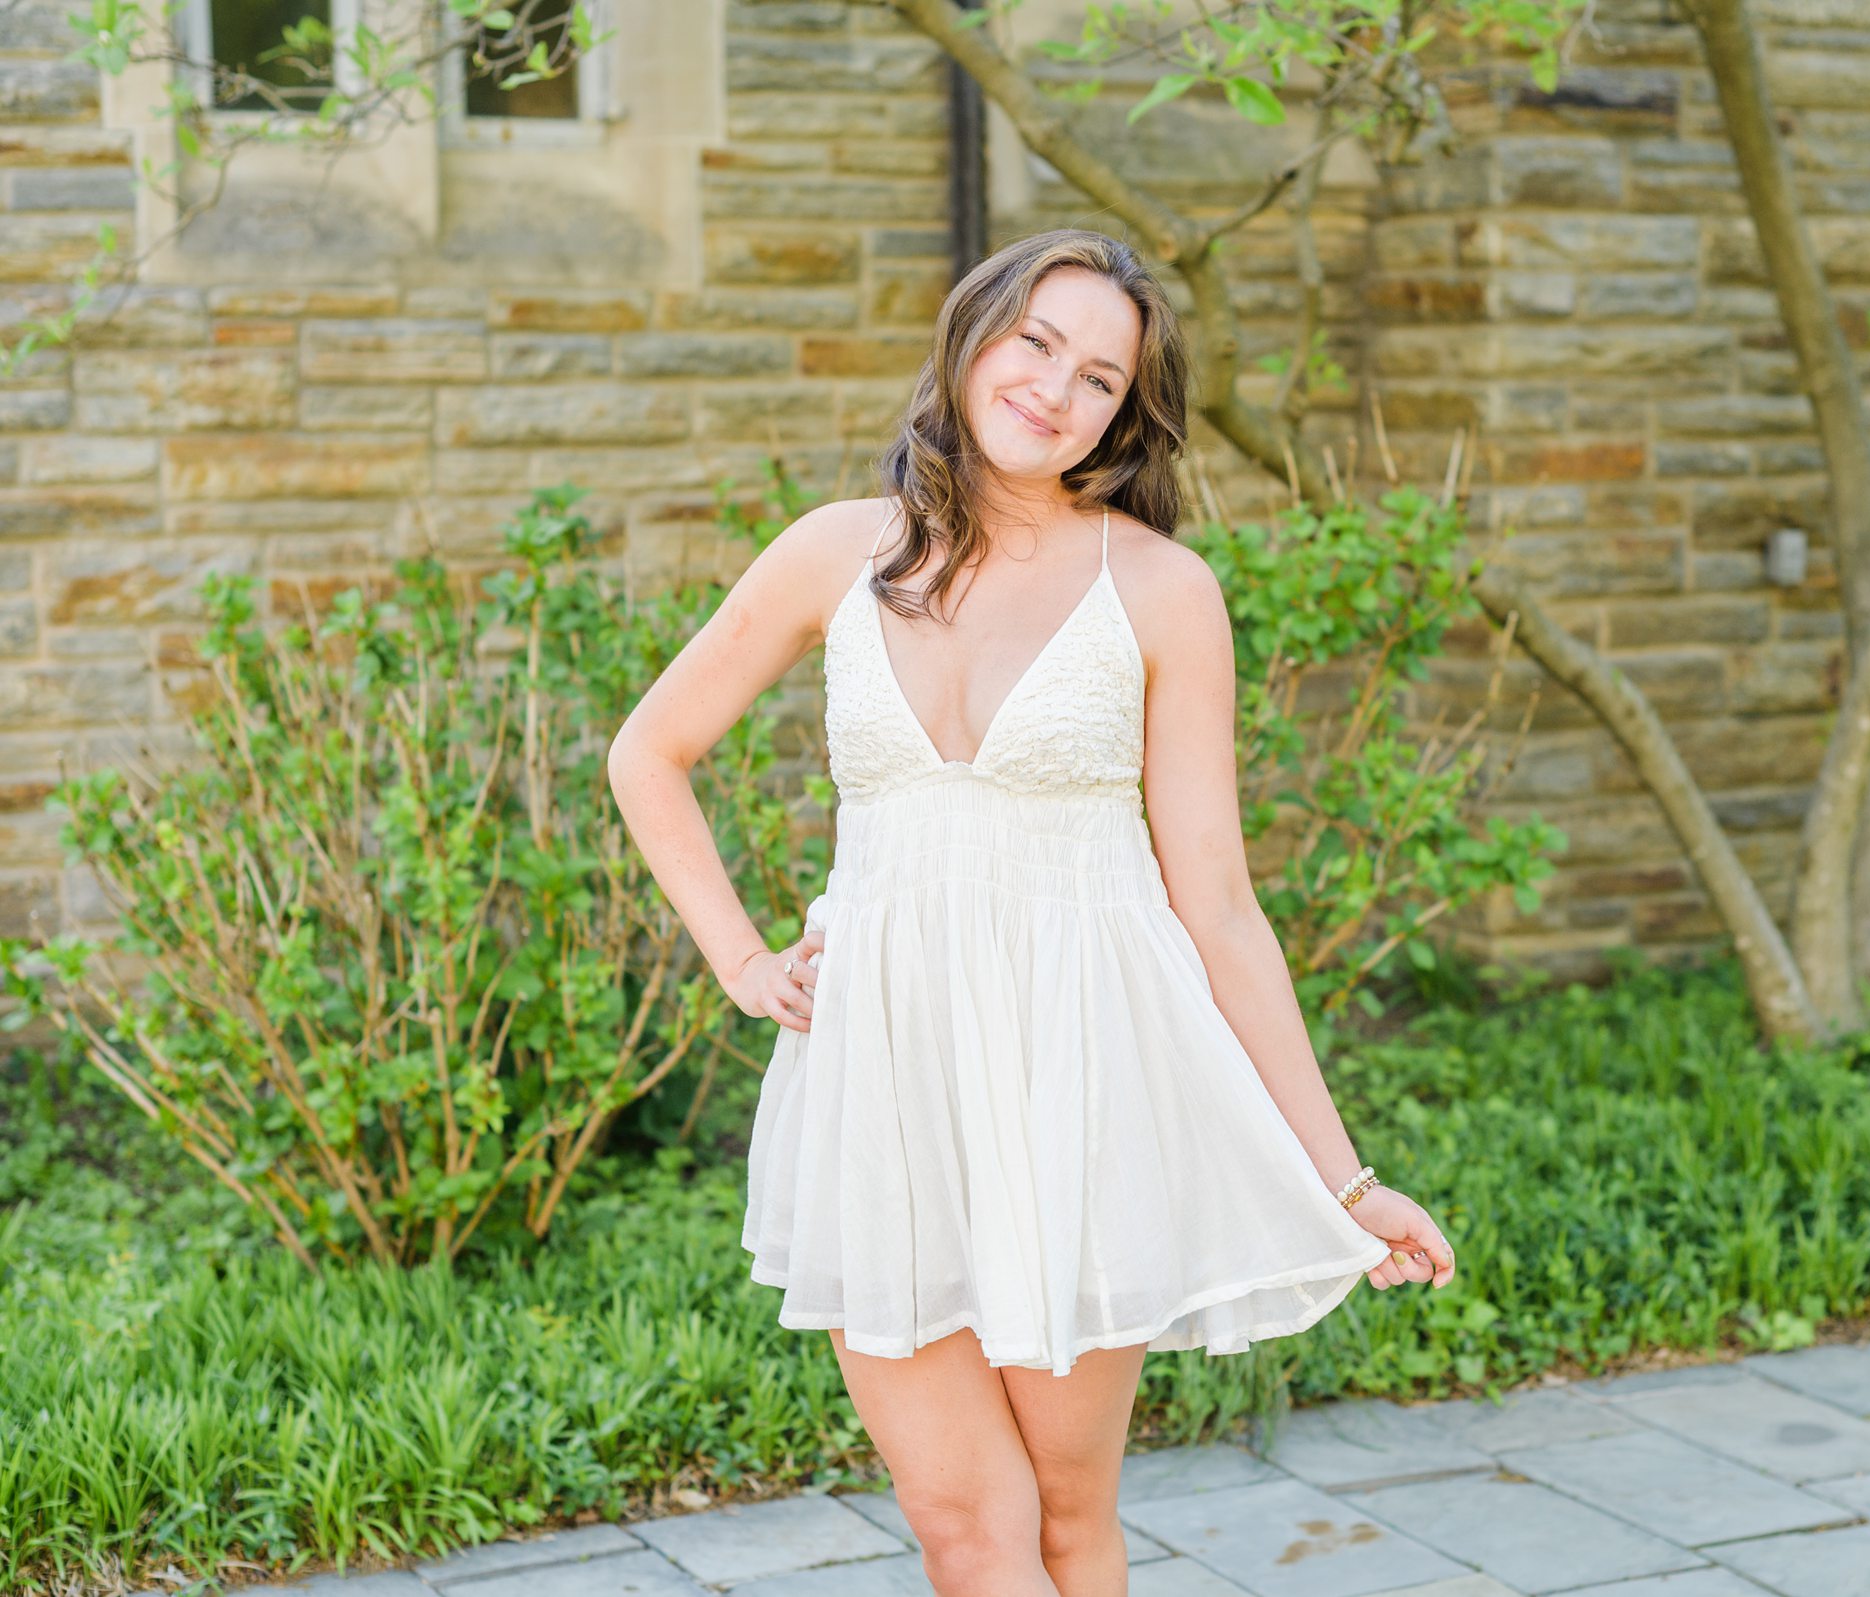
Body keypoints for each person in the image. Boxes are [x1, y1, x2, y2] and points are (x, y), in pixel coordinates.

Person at [607, 227, 1456, 1597]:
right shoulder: (836, 553)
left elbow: (1220, 906)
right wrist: (744, 958)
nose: (1056, 388)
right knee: (963, 1528)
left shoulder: (1162, 593)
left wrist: (1345, 1179)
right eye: (1037, 342)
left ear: (1124, 417)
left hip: (1079, 1088)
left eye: (1101, 378)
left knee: (1064, 1519)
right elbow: (647, 752)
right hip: (883, 1090)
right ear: (974, 335)